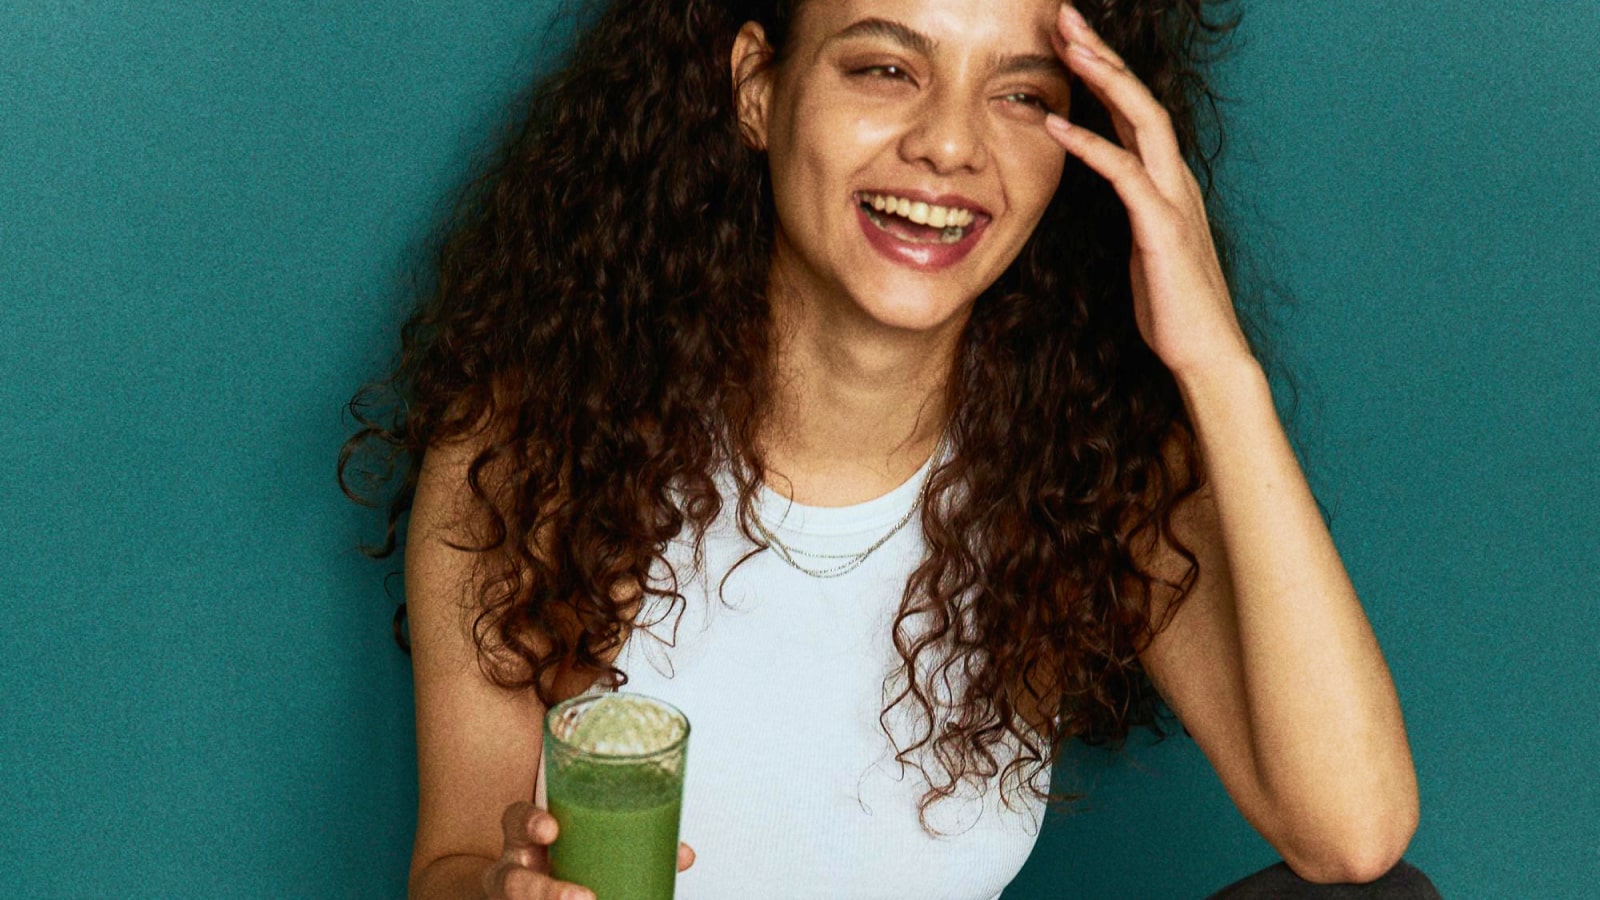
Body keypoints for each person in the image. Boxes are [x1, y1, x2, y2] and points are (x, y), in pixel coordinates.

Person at [342, 0, 1440, 897]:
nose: (951, 144)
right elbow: (447, 862)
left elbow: (1350, 839)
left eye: (1020, 95)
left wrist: (1216, 364)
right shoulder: (538, 447)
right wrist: (501, 892)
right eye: (885, 69)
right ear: (758, 90)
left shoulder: (1089, 464)